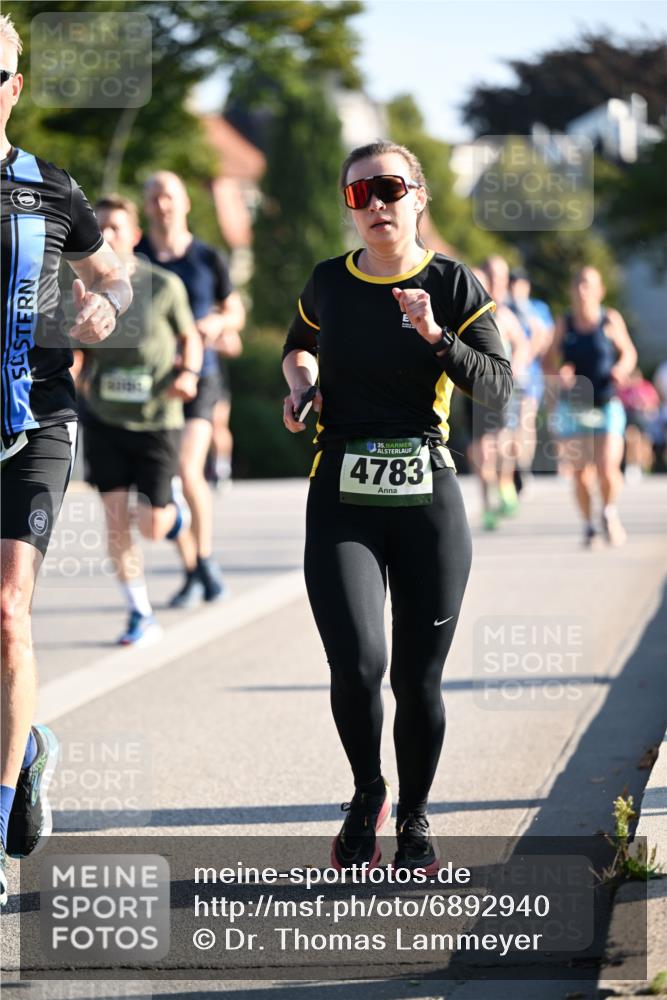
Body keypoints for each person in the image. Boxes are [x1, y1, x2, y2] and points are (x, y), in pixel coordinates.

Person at [281, 141, 512, 873]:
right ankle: (365, 792)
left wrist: (434, 335)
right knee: (356, 665)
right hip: (341, 489)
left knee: (417, 678)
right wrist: (301, 382)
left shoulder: (451, 283)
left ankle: (414, 815)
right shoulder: (328, 282)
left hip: (427, 495)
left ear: (418, 196)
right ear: (349, 208)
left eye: (388, 188)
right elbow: (297, 347)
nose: (375, 204)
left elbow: (499, 386)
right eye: (359, 194)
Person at [0, 14, 132, 904]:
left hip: (33, 417)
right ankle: (29, 744)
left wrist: (109, 310)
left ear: (13, 85)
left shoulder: (50, 187)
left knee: (8, 612)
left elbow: (116, 274)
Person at [75, 194, 203, 644]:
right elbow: (76, 351)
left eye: (115, 227)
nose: (107, 235)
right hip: (105, 419)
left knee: (152, 526)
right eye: (100, 227)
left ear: (133, 235)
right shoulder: (84, 287)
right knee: (113, 520)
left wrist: (188, 374)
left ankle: (175, 515)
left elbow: (191, 338)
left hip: (157, 418)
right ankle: (140, 613)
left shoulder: (164, 285)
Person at [138, 172, 245, 607]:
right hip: (151, 383)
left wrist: (219, 322)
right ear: (146, 206)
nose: (162, 205)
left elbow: (234, 309)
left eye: (169, 196)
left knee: (187, 468)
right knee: (158, 487)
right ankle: (194, 569)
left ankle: (203, 562)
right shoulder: (136, 256)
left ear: (184, 203)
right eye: (154, 197)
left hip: (202, 376)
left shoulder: (206, 257)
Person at [545, 266, 637, 547]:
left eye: (589, 285)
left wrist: (621, 368)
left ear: (600, 291)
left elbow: (629, 353)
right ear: (573, 291)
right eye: (579, 285)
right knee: (581, 474)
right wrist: (560, 375)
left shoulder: (609, 319)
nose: (583, 291)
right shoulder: (565, 323)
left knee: (608, 467)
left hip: (607, 402)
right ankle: (588, 525)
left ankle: (608, 513)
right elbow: (547, 362)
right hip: (574, 407)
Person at [467, 261, 528, 530]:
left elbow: (523, 343)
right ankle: (487, 505)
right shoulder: (464, 312)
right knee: (481, 452)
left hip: (498, 389)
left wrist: (516, 367)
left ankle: (504, 484)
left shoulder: (502, 314)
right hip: (471, 390)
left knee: (501, 445)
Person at [508, 267, 554, 493]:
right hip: (509, 377)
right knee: (510, 425)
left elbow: (546, 339)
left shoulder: (538, 309)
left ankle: (522, 466)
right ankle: (513, 466)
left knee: (525, 422)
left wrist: (525, 357)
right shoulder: (504, 308)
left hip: (531, 376)